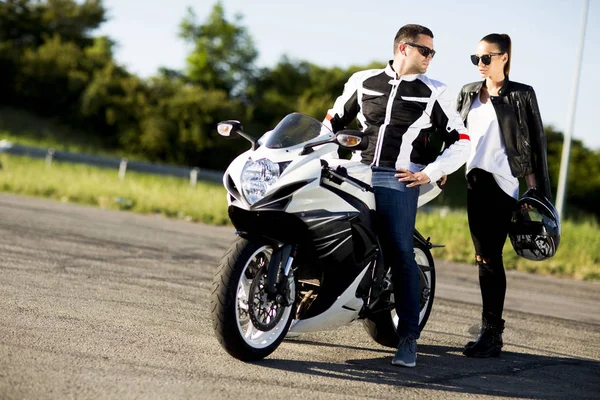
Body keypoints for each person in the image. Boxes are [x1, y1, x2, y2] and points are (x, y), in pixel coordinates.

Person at [323, 24, 471, 367]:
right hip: (355, 172)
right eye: (426, 51)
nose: (431, 58)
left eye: (432, 52)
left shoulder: (436, 91)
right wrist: (321, 155)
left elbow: (462, 142)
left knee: (401, 252)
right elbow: (331, 123)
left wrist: (428, 172)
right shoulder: (362, 81)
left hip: (397, 177)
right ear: (403, 49)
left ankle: (408, 337)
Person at [456, 33, 552, 358]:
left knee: (490, 257)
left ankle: (492, 334)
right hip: (473, 180)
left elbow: (533, 142)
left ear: (504, 58)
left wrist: (535, 189)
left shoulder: (522, 95)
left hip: (503, 183)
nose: (480, 65)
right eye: (476, 59)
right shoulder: (469, 93)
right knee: (483, 257)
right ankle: (491, 333)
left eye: (486, 58)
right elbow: (454, 134)